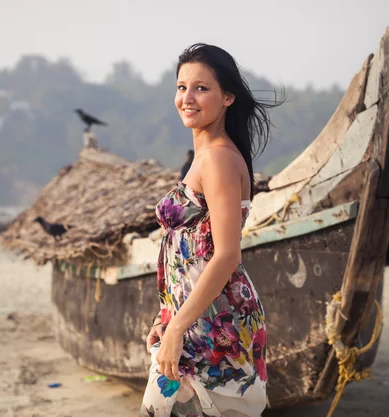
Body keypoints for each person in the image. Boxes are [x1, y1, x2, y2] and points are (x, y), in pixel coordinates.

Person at [140, 44, 282, 417]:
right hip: (191, 317)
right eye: (181, 87)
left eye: (201, 88)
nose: (187, 98)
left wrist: (176, 329)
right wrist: (166, 317)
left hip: (212, 325)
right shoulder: (206, 157)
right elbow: (188, 254)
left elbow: (226, 254)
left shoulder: (218, 158)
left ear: (228, 97)